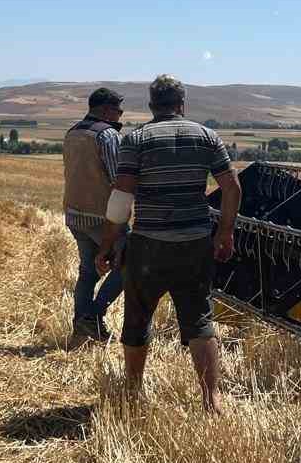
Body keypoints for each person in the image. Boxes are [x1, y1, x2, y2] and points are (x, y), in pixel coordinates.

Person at [96, 74, 241, 412]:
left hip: (148, 245)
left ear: (151, 105)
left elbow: (121, 201)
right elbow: (232, 188)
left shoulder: (137, 139)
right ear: (182, 104)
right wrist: (225, 232)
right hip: (194, 244)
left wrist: (106, 246)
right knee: (200, 322)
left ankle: (133, 394)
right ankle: (211, 400)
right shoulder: (206, 136)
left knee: (137, 320)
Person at [61, 86, 126, 344]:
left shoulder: (72, 132)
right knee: (128, 265)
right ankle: (93, 315)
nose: (120, 116)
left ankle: (81, 326)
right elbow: (118, 179)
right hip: (102, 217)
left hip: (74, 214)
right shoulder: (107, 135)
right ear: (106, 110)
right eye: (119, 111)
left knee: (88, 272)